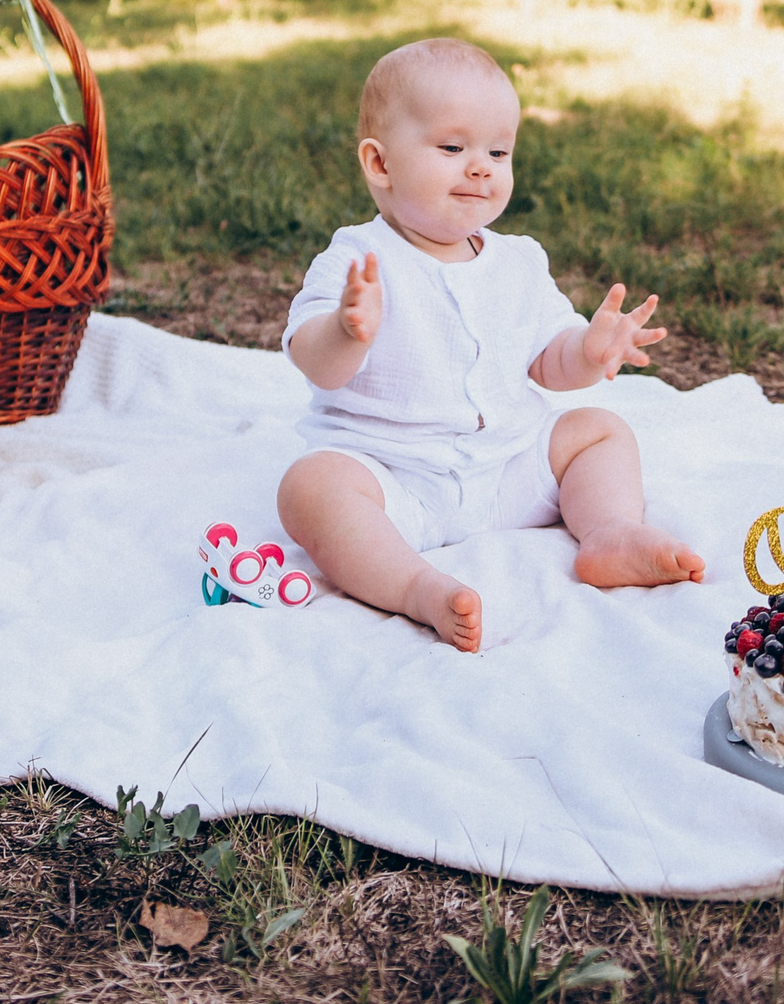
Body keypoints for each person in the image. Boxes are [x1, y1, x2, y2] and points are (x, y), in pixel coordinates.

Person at [276, 39, 707, 652]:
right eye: (452, 148)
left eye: (497, 151)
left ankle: (609, 532)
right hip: (396, 480)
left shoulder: (520, 261)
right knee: (311, 487)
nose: (480, 166)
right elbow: (314, 362)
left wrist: (588, 350)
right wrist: (347, 331)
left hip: (507, 471)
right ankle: (413, 586)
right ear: (380, 163)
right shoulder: (356, 260)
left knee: (599, 428)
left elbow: (547, 361)